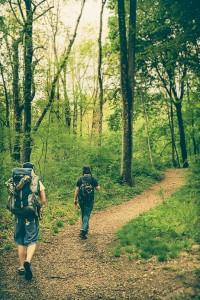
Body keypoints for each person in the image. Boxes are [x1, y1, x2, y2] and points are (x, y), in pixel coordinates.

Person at [7, 162, 46, 280]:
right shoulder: (36, 181)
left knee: (20, 240)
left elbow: (10, 199)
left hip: (18, 215)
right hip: (30, 215)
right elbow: (43, 199)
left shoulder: (14, 181)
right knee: (32, 239)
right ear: (32, 170)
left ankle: (21, 266)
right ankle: (28, 261)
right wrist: (36, 207)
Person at [74, 165, 100, 240]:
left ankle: (86, 230)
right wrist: (95, 185)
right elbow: (98, 189)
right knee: (86, 214)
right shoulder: (92, 179)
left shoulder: (80, 179)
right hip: (89, 200)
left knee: (84, 214)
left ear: (83, 171)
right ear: (89, 171)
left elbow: (76, 190)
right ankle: (82, 231)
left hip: (81, 200)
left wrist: (75, 200)